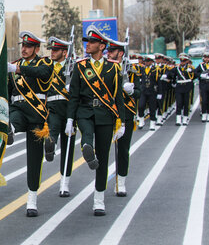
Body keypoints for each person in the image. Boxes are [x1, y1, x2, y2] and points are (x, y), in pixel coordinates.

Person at [66, 25, 125, 216]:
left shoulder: (114, 68)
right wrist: (69, 119)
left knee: (103, 157)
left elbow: (118, 97)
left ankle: (99, 200)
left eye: (91, 42)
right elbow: (74, 95)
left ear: (102, 46)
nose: (88, 45)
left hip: (105, 115)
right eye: (87, 42)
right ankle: (86, 147)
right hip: (84, 111)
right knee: (86, 133)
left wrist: (122, 122)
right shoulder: (81, 66)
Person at [7, 31, 54, 216]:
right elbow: (8, 90)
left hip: (36, 113)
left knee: (34, 159)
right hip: (18, 108)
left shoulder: (44, 62)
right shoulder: (14, 65)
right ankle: (9, 129)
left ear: (36, 48)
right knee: (14, 120)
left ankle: (32, 198)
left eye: (28, 46)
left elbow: (42, 73)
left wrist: (17, 69)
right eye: (22, 46)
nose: (24, 49)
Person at [43, 37, 76, 197]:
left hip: (69, 109)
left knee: (68, 147)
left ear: (65, 52)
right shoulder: (47, 66)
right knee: (53, 129)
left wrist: (73, 84)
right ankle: (50, 145)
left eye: (56, 50)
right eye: (51, 50)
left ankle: (65, 182)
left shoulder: (73, 67)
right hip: (53, 107)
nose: (52, 53)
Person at [106, 39, 139, 197]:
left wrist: (131, 91)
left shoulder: (132, 71)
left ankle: (121, 182)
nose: (109, 53)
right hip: (108, 112)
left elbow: (140, 92)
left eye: (112, 51)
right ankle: (101, 181)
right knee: (103, 148)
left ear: (120, 53)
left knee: (123, 149)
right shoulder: (106, 69)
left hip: (126, 113)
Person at [166, 53, 195, 126]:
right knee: (179, 103)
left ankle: (185, 119)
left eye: (184, 61)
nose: (182, 62)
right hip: (179, 86)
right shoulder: (177, 68)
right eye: (181, 61)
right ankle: (178, 119)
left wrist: (190, 72)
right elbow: (170, 73)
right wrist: (171, 77)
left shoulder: (190, 68)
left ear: (187, 61)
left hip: (187, 86)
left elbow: (195, 75)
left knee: (186, 103)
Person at [137, 54, 159, 130]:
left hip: (152, 91)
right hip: (143, 91)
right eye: (145, 61)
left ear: (151, 62)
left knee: (152, 107)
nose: (146, 62)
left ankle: (152, 123)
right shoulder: (142, 69)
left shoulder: (155, 70)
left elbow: (158, 81)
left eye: (148, 61)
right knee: (140, 106)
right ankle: (141, 120)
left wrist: (159, 92)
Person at [194, 51, 209, 122]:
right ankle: (204, 114)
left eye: (208, 58)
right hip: (203, 83)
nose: (206, 59)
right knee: (204, 100)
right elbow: (195, 72)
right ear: (203, 59)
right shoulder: (200, 66)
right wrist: (200, 75)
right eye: (205, 58)